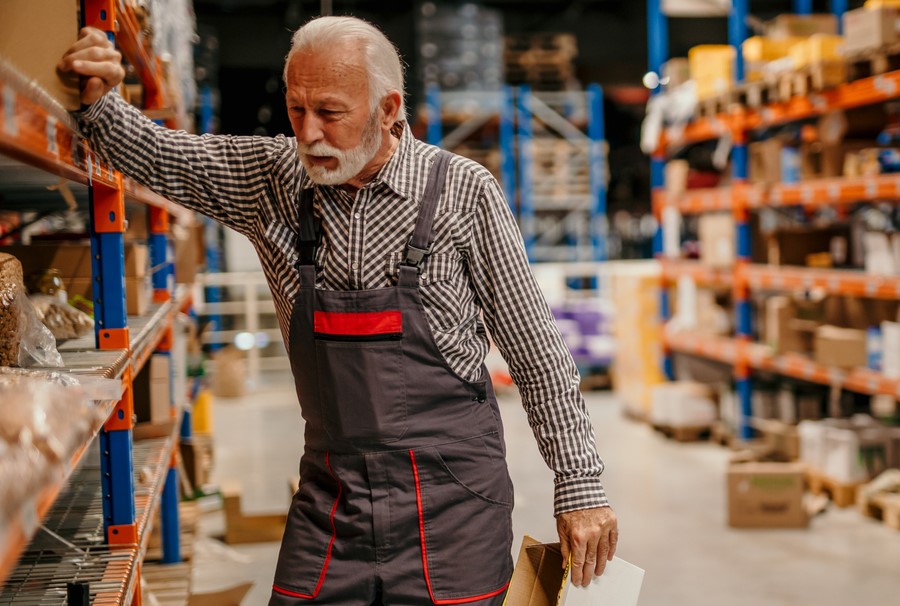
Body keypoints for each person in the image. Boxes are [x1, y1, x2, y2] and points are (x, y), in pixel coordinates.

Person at [60, 15, 618, 604]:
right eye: (296, 111)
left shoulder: (462, 191)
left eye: (329, 112)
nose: (309, 134)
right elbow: (159, 155)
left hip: (452, 503)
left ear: (387, 108)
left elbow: (537, 352)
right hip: (333, 498)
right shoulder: (272, 179)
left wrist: (579, 485)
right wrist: (100, 97)